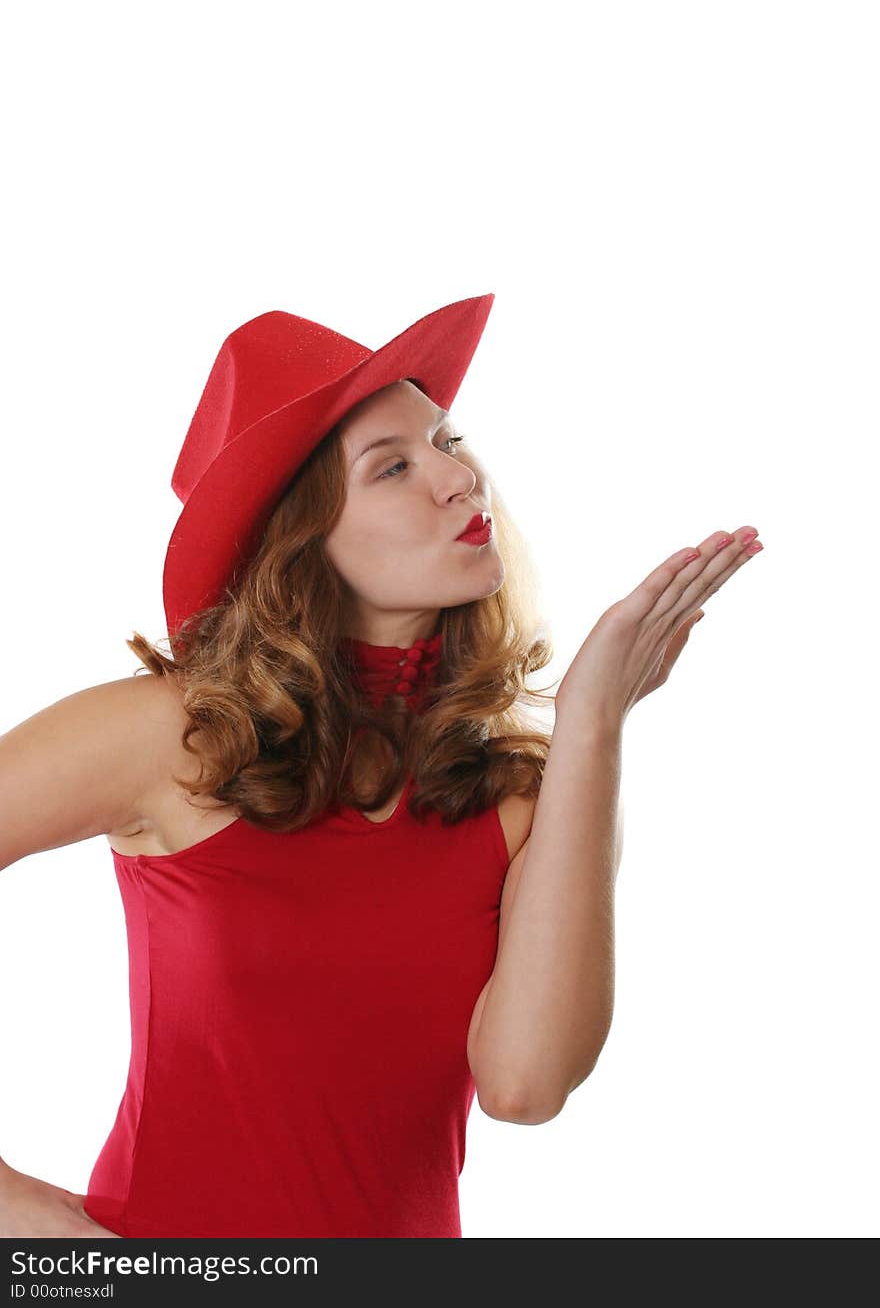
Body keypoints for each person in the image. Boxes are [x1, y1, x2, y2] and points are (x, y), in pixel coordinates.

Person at [0, 295, 763, 1238]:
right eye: (394, 465)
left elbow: (525, 1084)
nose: (458, 477)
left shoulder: (518, 795)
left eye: (448, 440)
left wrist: (594, 726)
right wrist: (34, 1224)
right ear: (302, 539)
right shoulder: (174, 735)